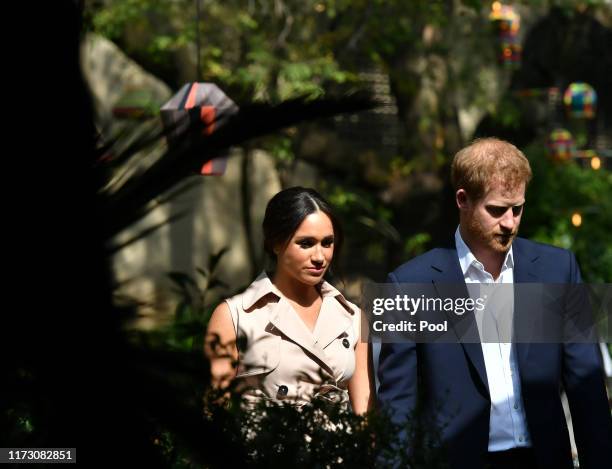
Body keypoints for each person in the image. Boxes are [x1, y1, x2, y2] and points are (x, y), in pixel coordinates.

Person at [377, 138, 612, 468]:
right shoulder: (409, 285)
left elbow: (586, 387)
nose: (510, 223)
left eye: (518, 209)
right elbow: (397, 405)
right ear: (463, 199)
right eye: (497, 210)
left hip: (544, 458)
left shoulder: (557, 269)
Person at [205, 186, 374, 414]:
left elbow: (365, 413)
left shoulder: (352, 317)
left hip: (337, 447)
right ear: (276, 243)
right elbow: (215, 411)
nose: (319, 257)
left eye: (327, 243)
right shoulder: (234, 315)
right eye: (305, 243)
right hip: (265, 447)